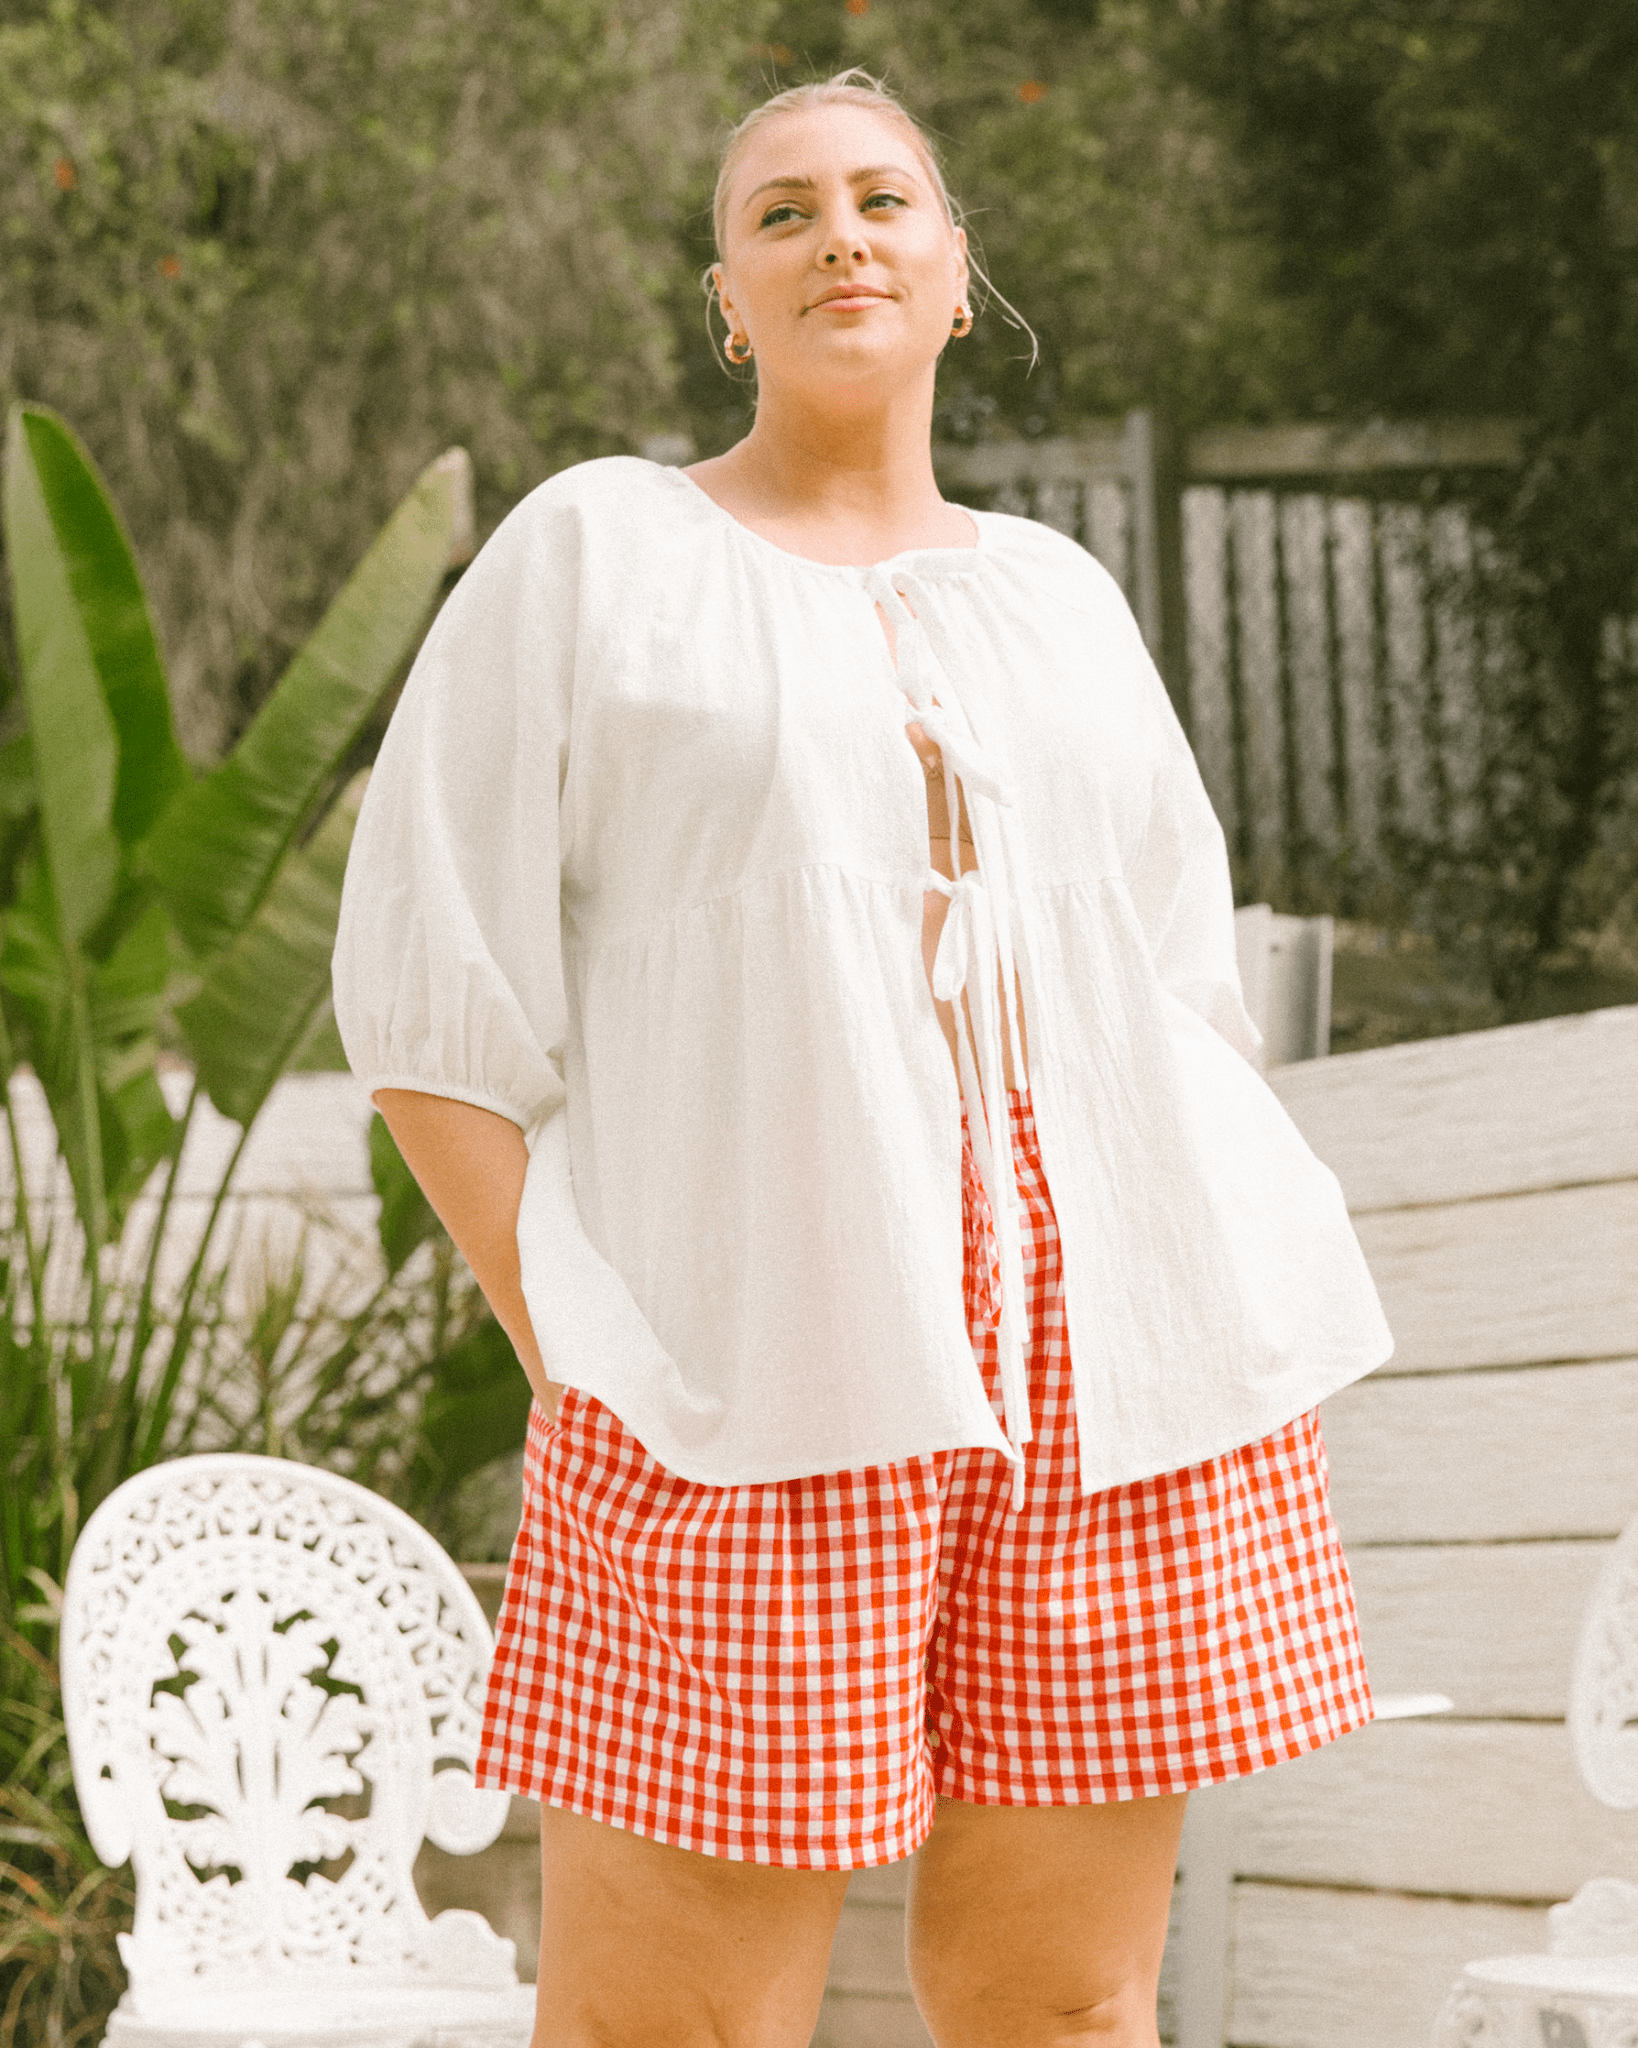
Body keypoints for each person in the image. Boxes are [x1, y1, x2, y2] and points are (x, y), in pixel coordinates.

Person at [332, 69, 1392, 2048]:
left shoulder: (1058, 597)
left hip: (1117, 1374)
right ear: (727, 300)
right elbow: (423, 990)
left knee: (1063, 2004)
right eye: (784, 211)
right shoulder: (599, 552)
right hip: (748, 1352)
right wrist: (585, 1353)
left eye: (884, 199)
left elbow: (1180, 992)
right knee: (674, 2026)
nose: (840, 235)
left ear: (957, 272)